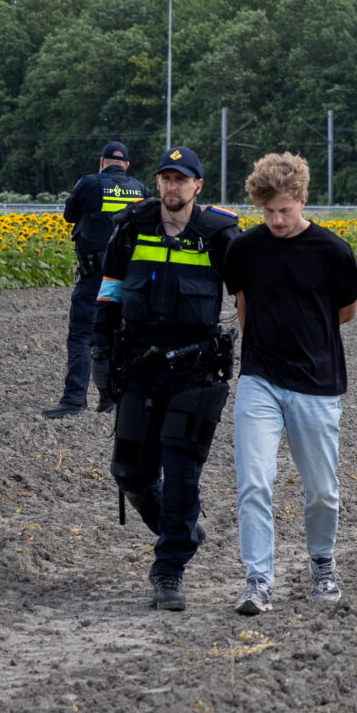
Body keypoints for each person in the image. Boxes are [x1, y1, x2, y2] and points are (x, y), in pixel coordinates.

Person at [221, 152, 357, 617]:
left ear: (302, 200)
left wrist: (307, 335)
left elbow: (346, 311)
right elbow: (243, 306)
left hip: (316, 383)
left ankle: (322, 563)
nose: (277, 221)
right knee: (253, 482)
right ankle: (257, 580)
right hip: (260, 379)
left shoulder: (332, 251)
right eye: (268, 212)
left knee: (322, 488)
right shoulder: (244, 249)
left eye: (285, 210)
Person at [93, 147, 241, 611]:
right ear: (157, 182)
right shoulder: (131, 228)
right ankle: (180, 529)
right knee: (130, 473)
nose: (172, 187)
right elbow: (109, 294)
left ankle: (169, 568)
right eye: (166, 178)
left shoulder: (219, 234)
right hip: (140, 366)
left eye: (181, 179)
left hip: (195, 371)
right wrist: (100, 354)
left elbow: (248, 295)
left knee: (181, 477)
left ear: (198, 185)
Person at [45, 141, 147, 419]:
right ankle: (109, 398)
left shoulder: (89, 183)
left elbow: (69, 215)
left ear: (102, 162)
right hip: (126, 278)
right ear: (126, 165)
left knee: (81, 334)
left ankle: (74, 400)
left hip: (94, 275)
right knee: (114, 335)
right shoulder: (140, 190)